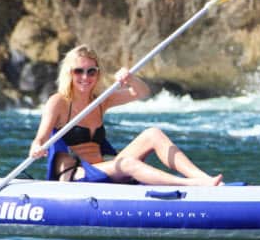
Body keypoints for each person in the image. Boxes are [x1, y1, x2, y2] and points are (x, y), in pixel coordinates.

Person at [29, 45, 223, 186]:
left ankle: (202, 178)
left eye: (91, 71)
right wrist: (37, 147)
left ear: (98, 74)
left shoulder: (100, 100)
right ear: (69, 73)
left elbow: (141, 92)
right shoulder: (59, 102)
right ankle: (191, 186)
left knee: (153, 133)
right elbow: (41, 138)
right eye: (78, 71)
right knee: (128, 164)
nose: (85, 77)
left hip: (104, 168)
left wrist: (130, 79)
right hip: (76, 174)